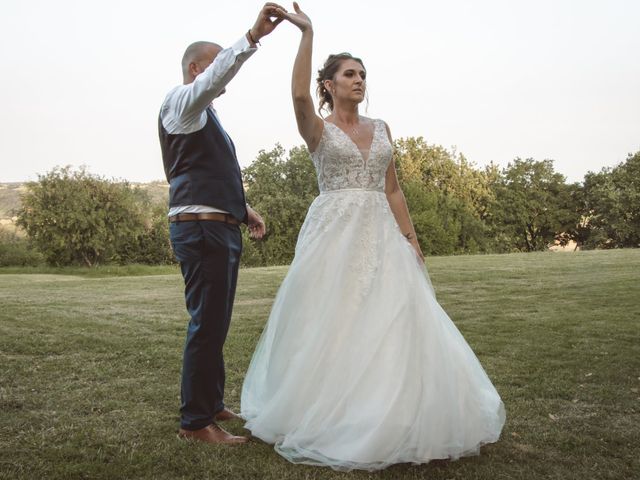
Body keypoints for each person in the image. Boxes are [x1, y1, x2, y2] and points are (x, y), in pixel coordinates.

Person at [240, 2, 506, 470]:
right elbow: (298, 98)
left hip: (382, 232)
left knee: (395, 316)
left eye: (362, 73)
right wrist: (306, 33)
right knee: (334, 318)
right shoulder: (317, 128)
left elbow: (393, 187)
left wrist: (412, 238)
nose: (359, 79)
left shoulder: (381, 128)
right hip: (333, 235)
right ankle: (329, 410)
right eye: (348, 74)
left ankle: (396, 411)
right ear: (329, 85)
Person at [158, 3, 286, 444]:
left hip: (219, 225)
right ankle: (195, 423)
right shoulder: (182, 103)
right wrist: (252, 37)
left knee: (216, 321)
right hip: (201, 230)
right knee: (206, 322)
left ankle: (211, 404)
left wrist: (243, 208)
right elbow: (215, 79)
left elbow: (210, 170)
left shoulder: (206, 117)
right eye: (212, 66)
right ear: (195, 68)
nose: (219, 77)